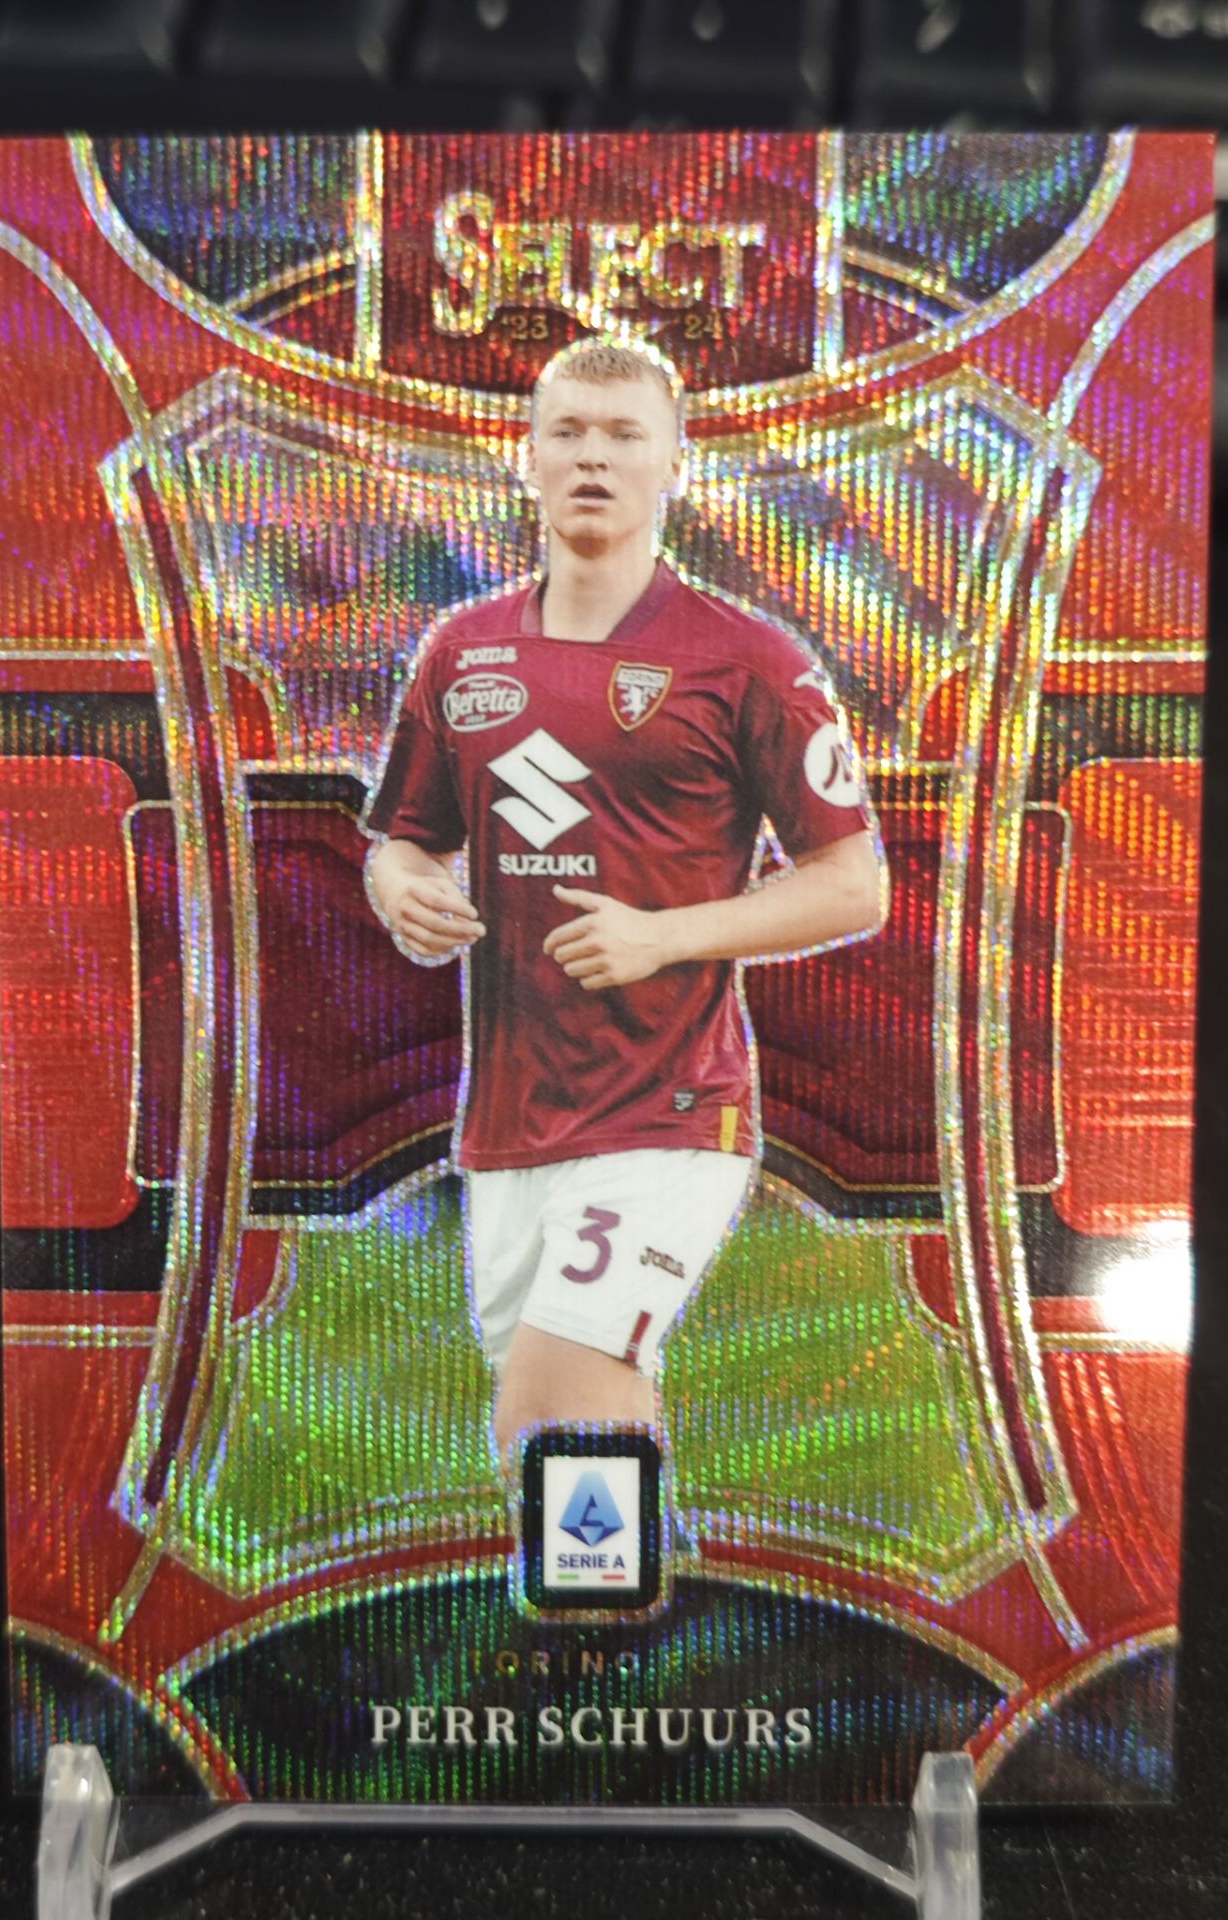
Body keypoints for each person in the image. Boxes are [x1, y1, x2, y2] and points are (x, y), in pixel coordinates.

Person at [362, 340, 886, 1471]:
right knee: (551, 1450)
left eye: (623, 435)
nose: (592, 457)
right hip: (510, 1118)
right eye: (568, 432)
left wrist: (665, 935)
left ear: (674, 467)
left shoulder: (747, 659)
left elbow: (854, 883)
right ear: (529, 460)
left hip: (668, 1106)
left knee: (560, 1406)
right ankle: (627, 1593)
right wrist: (405, 887)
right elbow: (405, 838)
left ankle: (618, 1584)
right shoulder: (461, 651)